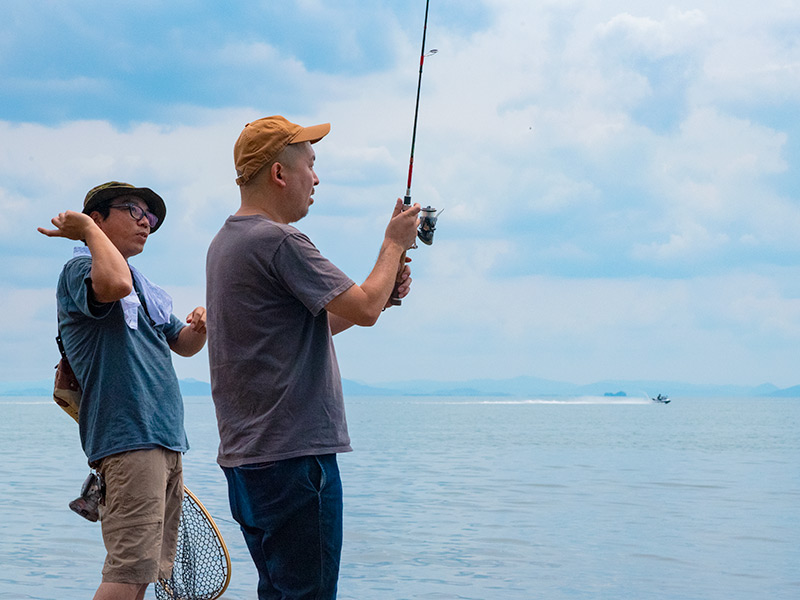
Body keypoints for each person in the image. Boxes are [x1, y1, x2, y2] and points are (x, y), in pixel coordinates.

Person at [205, 115, 420, 599]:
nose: (317, 179)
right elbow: (362, 309)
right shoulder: (279, 241)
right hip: (295, 460)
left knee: (278, 592)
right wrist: (393, 244)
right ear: (280, 174)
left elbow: (319, 323)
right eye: (311, 165)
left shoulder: (226, 243)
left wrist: (381, 294)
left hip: (249, 462)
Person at [38, 181, 207, 600]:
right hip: (130, 439)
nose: (144, 221)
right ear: (97, 218)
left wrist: (201, 327)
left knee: (142, 574)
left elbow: (183, 344)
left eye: (149, 217)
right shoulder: (81, 270)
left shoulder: (146, 290)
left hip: (164, 440)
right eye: (132, 209)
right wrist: (88, 235)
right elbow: (113, 285)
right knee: (128, 571)